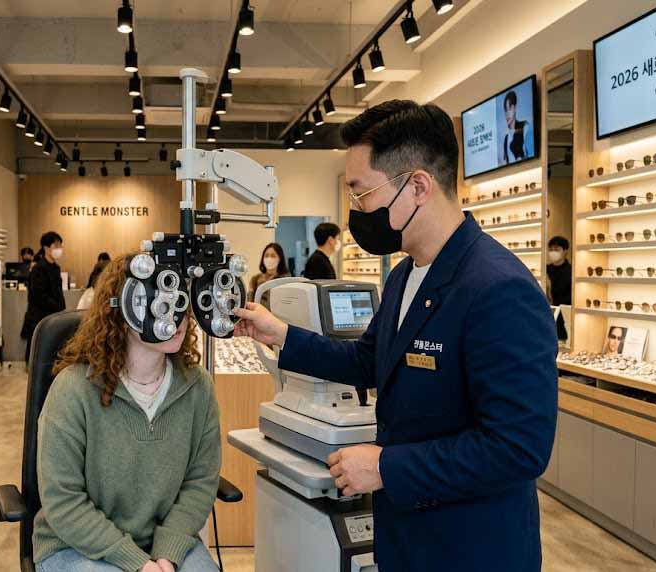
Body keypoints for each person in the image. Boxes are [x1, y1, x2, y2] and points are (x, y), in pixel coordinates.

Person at [233, 100, 557, 572]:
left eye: (361, 193)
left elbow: (518, 448)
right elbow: (366, 361)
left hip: (470, 549)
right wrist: (280, 334)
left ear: (418, 186)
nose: (356, 212)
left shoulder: (499, 289)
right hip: (406, 539)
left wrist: (386, 467)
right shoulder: (406, 275)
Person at [34, 254, 221, 572]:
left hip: (161, 543)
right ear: (122, 312)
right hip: (76, 545)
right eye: (159, 304)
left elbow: (200, 482)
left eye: (180, 304)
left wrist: (167, 553)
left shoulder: (197, 387)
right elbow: (63, 501)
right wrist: (137, 563)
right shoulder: (73, 389)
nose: (176, 318)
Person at [22, 231, 66, 362]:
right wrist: (57, 307)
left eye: (60, 245)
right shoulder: (38, 269)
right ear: (46, 248)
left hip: (54, 316)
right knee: (38, 351)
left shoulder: (56, 268)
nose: (59, 249)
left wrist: (62, 308)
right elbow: (39, 296)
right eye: (56, 246)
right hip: (40, 317)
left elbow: (58, 291)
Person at [248, 242, 290, 309]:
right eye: (266, 255)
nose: (269, 258)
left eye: (273, 256)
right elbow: (249, 301)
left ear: (280, 258)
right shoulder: (255, 279)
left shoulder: (284, 280)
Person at [547, 236, 572, 341]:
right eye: (551, 249)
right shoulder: (546, 269)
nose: (553, 252)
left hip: (564, 314)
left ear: (565, 251)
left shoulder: (571, 271)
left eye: (557, 249)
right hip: (548, 312)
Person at [501, 90, 534, 165]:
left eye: (510, 108)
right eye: (505, 110)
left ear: (515, 108)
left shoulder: (525, 127)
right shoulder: (506, 138)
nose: (507, 114)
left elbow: (531, 153)